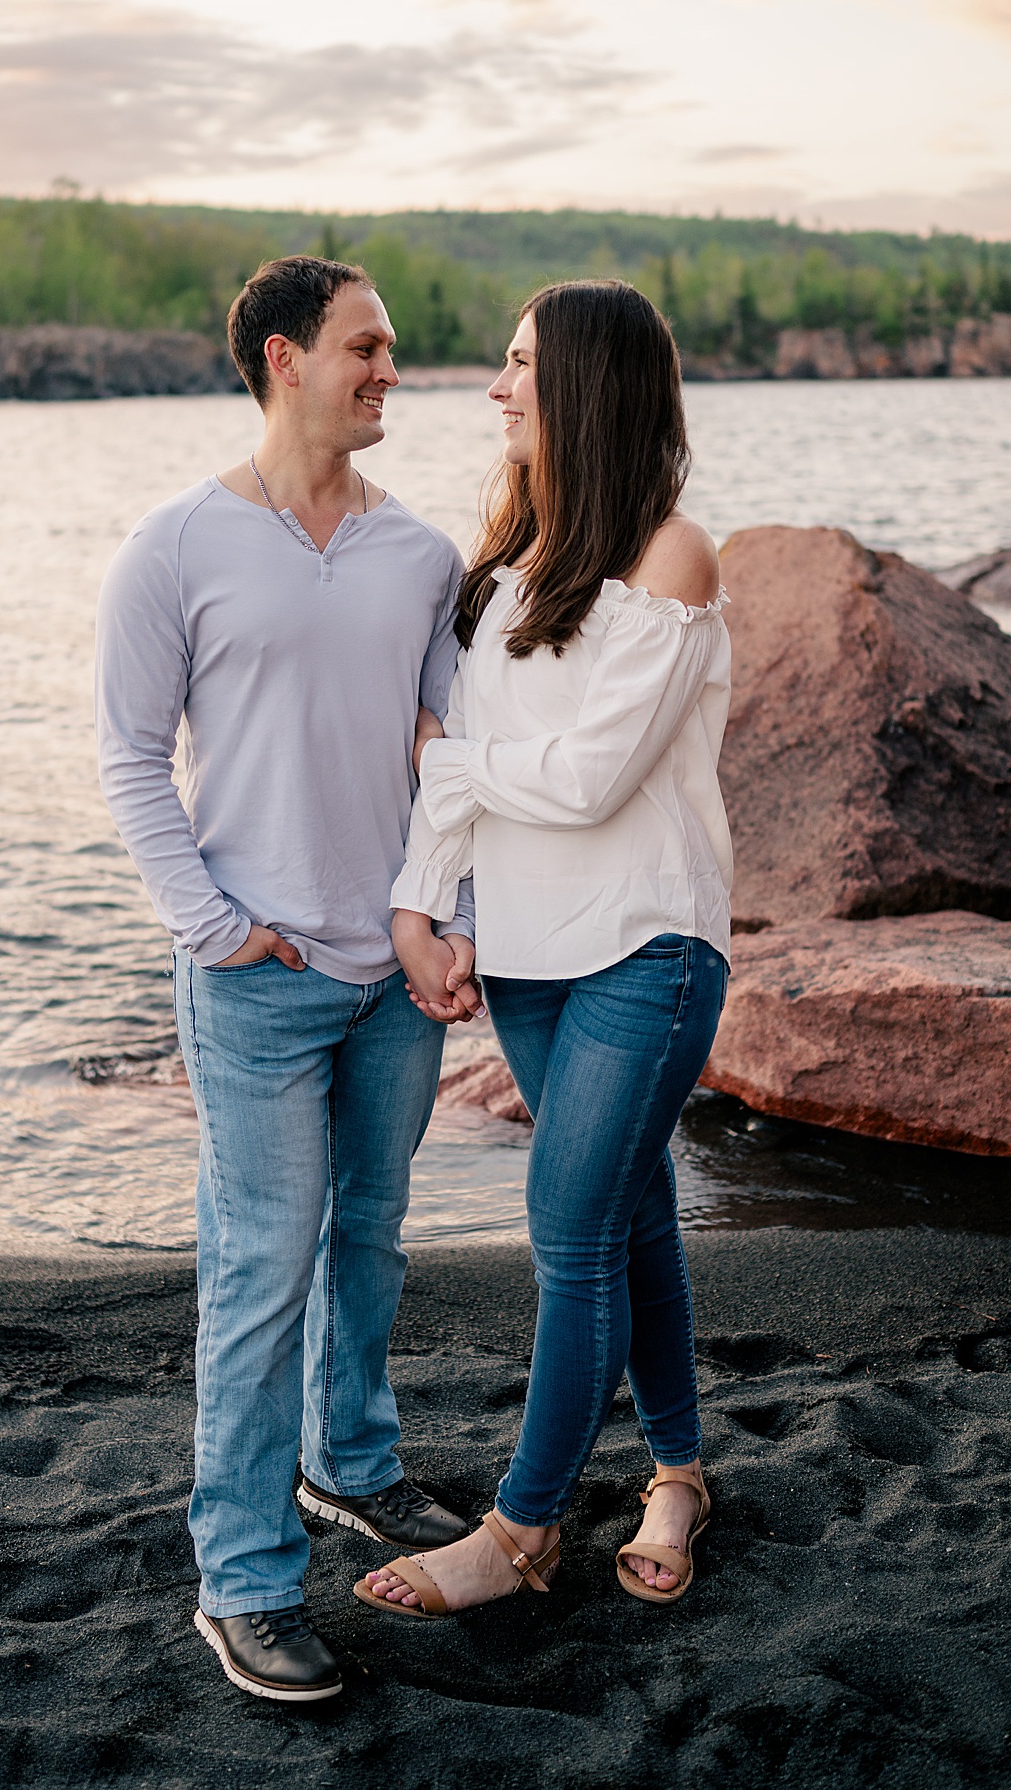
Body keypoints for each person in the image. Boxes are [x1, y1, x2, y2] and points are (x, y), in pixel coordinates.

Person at [94, 254, 482, 1704]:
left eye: (392, 348)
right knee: (263, 1269)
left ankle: (352, 1466)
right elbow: (132, 759)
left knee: (371, 1236)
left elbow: (456, 752)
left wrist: (441, 918)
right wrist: (208, 920)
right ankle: (243, 1579)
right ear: (280, 358)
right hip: (252, 979)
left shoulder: (422, 556)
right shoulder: (176, 546)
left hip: (389, 973)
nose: (390, 369)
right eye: (364, 347)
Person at [358, 278, 732, 1621]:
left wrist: (455, 766)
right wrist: (430, 908)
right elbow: (444, 788)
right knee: (628, 1217)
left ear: (587, 384)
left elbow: (583, 782)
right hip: (520, 952)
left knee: (568, 1227)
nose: (497, 386)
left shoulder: (672, 558)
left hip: (648, 946)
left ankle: (521, 1531)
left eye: (521, 364)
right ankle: (678, 1472)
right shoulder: (500, 572)